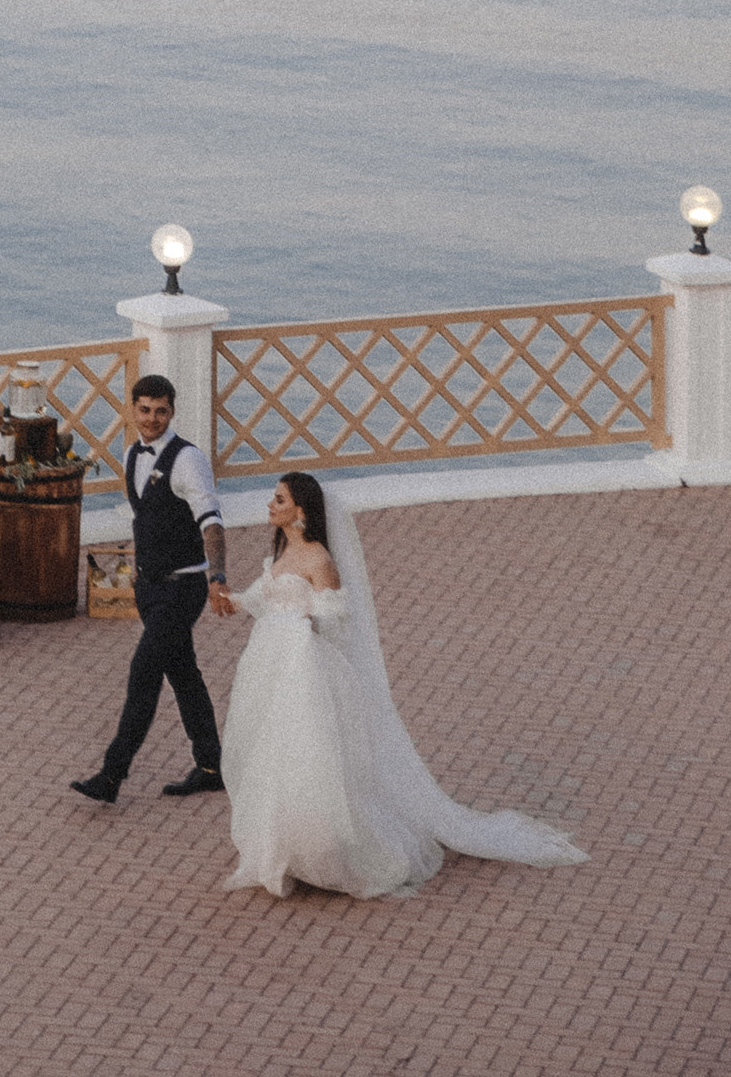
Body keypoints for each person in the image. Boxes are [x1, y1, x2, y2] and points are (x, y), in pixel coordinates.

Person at [213, 469, 587, 897]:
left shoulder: (319, 560)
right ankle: (283, 850)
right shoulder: (281, 554)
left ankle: (326, 852)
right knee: (274, 753)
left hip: (305, 672)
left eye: (279, 499)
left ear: (300, 511)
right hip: (273, 667)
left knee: (310, 755)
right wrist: (232, 600)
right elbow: (266, 596)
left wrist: (304, 622)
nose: (270, 504)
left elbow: (337, 620)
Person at [70, 372, 227, 802]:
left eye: (161, 411)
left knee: (144, 673)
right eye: (144, 410)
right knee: (184, 674)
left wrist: (217, 577)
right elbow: (148, 519)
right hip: (150, 589)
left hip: (183, 588)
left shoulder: (188, 460)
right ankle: (211, 765)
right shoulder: (130, 454)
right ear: (132, 409)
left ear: (172, 412)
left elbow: (212, 523)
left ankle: (111, 775)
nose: (152, 418)